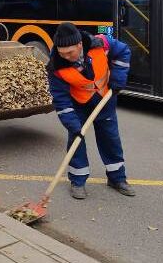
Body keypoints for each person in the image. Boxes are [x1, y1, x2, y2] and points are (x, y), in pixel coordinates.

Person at [48, 22, 135, 199]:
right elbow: (60, 98)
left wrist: (118, 77)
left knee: (111, 139)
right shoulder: (56, 66)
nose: (66, 57)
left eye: (70, 52)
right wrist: (72, 123)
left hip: (105, 101)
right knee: (76, 141)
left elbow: (123, 51)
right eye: (62, 53)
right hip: (78, 105)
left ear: (80, 44)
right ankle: (78, 181)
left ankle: (117, 178)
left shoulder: (101, 44)